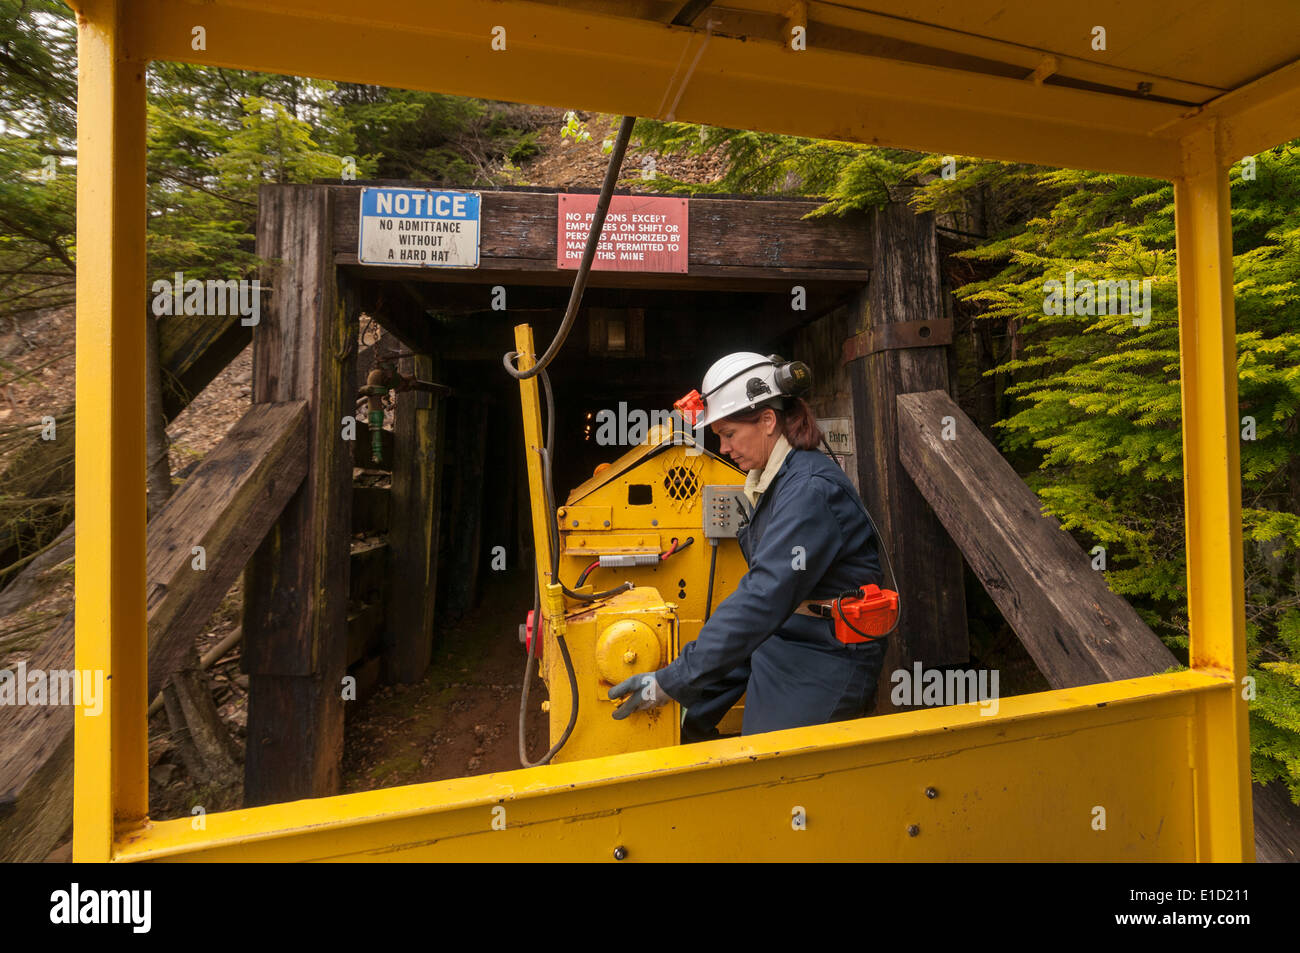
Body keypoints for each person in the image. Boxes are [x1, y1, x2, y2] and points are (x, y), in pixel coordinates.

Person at [608, 352, 889, 740]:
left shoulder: (810, 490)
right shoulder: (776, 480)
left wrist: (671, 679)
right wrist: (678, 682)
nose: (723, 449)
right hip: (782, 635)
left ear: (768, 420)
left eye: (728, 434)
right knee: (681, 726)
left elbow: (763, 595)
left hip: (824, 654)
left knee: (770, 766)